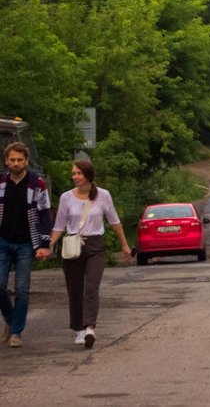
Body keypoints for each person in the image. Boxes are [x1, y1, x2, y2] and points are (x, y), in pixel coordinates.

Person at [49, 159, 131, 348]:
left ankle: (90, 328)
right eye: (74, 174)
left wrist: (125, 245)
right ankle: (79, 328)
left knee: (92, 288)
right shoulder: (66, 198)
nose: (76, 177)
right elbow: (59, 226)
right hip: (73, 246)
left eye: (79, 173)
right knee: (75, 289)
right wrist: (48, 246)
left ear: (88, 175)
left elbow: (114, 221)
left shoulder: (103, 195)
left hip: (95, 246)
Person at [0, 142, 52, 348]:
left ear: (26, 161)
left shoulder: (36, 183)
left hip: (26, 243)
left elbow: (45, 213)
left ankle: (15, 332)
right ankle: (11, 319)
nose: (16, 163)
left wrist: (45, 244)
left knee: (22, 289)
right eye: (12, 159)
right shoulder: (1, 182)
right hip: (2, 240)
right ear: (6, 161)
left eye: (20, 160)